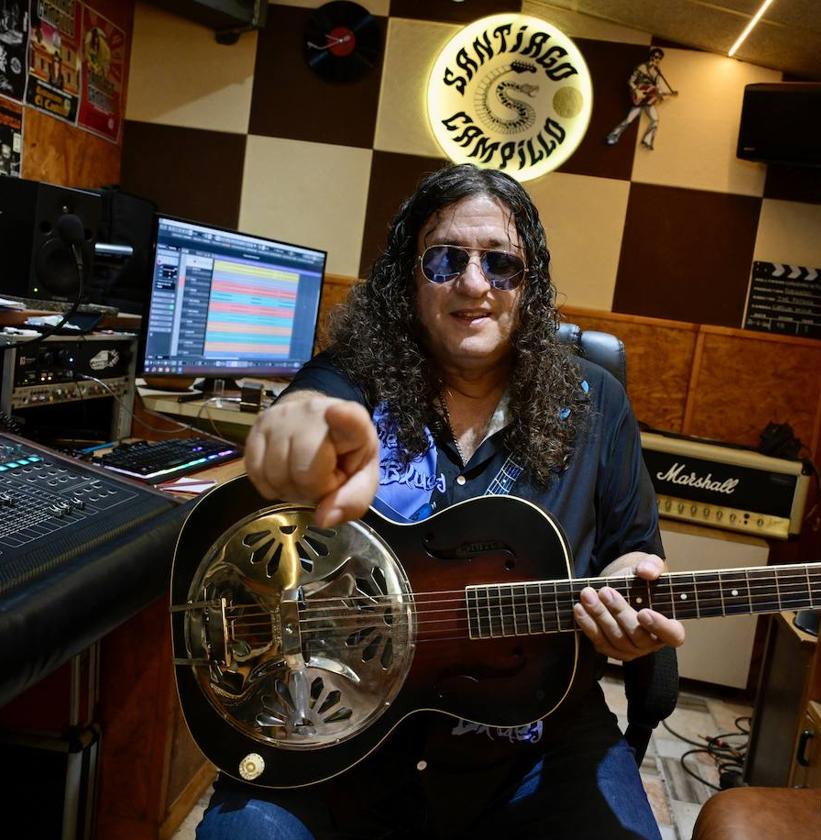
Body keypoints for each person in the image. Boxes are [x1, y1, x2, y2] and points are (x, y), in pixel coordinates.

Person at [197, 164, 684, 839]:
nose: (475, 284)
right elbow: (316, 408)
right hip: (345, 741)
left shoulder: (596, 404)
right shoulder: (356, 378)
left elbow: (634, 551)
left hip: (535, 744)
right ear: (409, 277)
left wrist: (626, 589)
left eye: (502, 264)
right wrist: (298, 423)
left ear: (529, 285)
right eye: (446, 259)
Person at [606, 48, 678, 150]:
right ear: (651, 56)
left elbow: (657, 88)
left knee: (655, 119)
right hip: (640, 96)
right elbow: (630, 81)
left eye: (659, 58)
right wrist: (637, 90)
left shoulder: (657, 71)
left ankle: (647, 141)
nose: (656, 59)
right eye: (655, 56)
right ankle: (613, 136)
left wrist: (670, 94)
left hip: (649, 98)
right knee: (629, 119)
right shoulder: (642, 67)